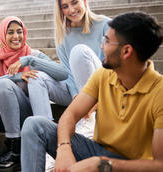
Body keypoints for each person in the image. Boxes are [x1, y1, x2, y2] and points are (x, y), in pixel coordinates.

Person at [21, 12, 163, 172]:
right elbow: (70, 115)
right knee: (35, 125)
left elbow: (159, 165)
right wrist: (64, 147)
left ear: (126, 51)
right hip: (96, 152)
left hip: (131, 166)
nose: (102, 46)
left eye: (107, 41)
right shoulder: (103, 74)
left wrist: (103, 164)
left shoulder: (159, 92)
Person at [0, 16, 68, 168]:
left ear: (24, 33)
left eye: (19, 31)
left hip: (24, 116)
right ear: (3, 35)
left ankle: (15, 148)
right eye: (10, 32)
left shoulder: (34, 55)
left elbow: (63, 74)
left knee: (4, 84)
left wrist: (30, 61)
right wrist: (16, 76)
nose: (16, 36)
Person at [27, 0, 111, 139]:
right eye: (65, 6)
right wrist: (76, 96)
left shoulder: (106, 25)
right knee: (36, 77)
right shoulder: (63, 34)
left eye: (74, 2)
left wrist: (86, 101)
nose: (71, 10)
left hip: (102, 87)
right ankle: (46, 134)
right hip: (76, 92)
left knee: (79, 51)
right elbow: (68, 72)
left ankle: (88, 119)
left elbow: (112, 67)